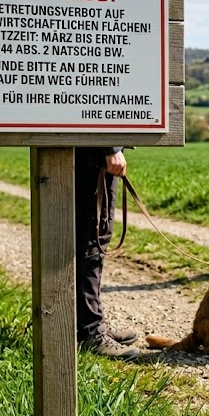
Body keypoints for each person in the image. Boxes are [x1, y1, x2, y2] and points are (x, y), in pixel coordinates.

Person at [75, 146, 140, 360]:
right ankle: (90, 332)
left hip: (92, 155)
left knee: (92, 241)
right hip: (92, 156)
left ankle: (88, 324)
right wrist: (110, 147)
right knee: (91, 242)